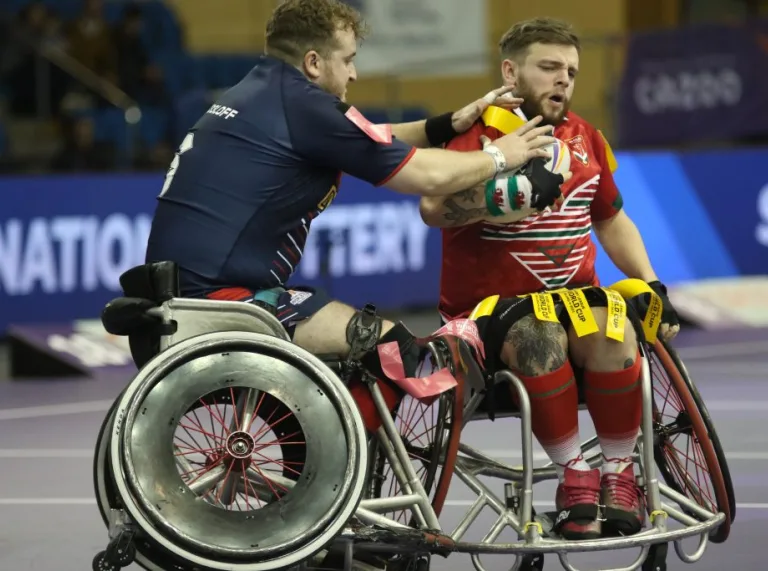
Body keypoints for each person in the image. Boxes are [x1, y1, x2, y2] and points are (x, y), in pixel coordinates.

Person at [144, 0, 561, 412]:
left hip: (176, 297)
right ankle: (346, 473)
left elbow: (365, 135)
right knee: (390, 346)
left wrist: (447, 125)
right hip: (224, 302)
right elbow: (427, 178)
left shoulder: (263, 91)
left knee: (330, 376)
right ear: (313, 62)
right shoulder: (305, 107)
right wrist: (501, 156)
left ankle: (320, 472)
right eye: (348, 60)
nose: (354, 73)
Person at [419, 18, 680, 540]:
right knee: (540, 338)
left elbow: (609, 219)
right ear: (511, 71)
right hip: (492, 312)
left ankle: (617, 474)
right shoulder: (472, 139)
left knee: (616, 329)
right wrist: (504, 196)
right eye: (549, 67)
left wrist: (651, 282)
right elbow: (433, 209)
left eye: (571, 71)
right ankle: (573, 476)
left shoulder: (586, 138)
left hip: (574, 300)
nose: (563, 80)